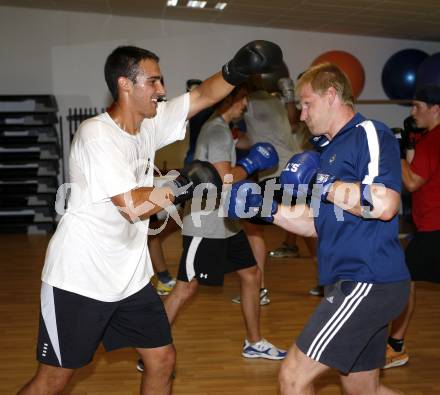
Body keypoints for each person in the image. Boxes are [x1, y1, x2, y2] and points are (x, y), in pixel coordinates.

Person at [18, 40, 284, 395]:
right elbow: (133, 207)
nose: (162, 89)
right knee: (53, 380)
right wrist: (187, 182)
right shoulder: (97, 135)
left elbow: (204, 95)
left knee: (162, 359)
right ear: (125, 84)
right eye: (154, 81)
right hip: (80, 279)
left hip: (129, 278)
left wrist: (237, 69)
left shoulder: (148, 125)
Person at [227, 62, 410, 394]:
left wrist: (320, 183)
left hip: (367, 280)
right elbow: (315, 222)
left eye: (307, 103)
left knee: (293, 378)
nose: (301, 115)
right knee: (361, 390)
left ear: (332, 95)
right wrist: (264, 209)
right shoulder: (326, 153)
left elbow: (385, 205)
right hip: (351, 280)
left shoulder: (368, 134)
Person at [137, 86, 286, 372]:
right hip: (206, 225)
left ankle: (254, 342)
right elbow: (223, 176)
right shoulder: (216, 131)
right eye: (243, 98)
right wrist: (254, 162)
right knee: (185, 288)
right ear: (231, 100)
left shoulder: (221, 129)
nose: (246, 104)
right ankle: (150, 351)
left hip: (226, 222)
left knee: (252, 274)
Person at [230, 74, 302, 306]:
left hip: (275, 172)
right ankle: (327, 282)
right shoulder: (275, 101)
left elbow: (242, 132)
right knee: (309, 224)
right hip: (298, 167)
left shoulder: (247, 103)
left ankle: (258, 289)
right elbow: (257, 139)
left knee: (253, 229)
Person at [384, 84, 440, 369]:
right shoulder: (430, 140)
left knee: (403, 280)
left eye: (418, 106)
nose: (413, 112)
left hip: (434, 228)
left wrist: (394, 147)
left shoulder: (433, 140)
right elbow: (419, 169)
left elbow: (411, 182)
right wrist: (407, 144)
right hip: (431, 227)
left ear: (436, 109)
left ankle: (396, 346)